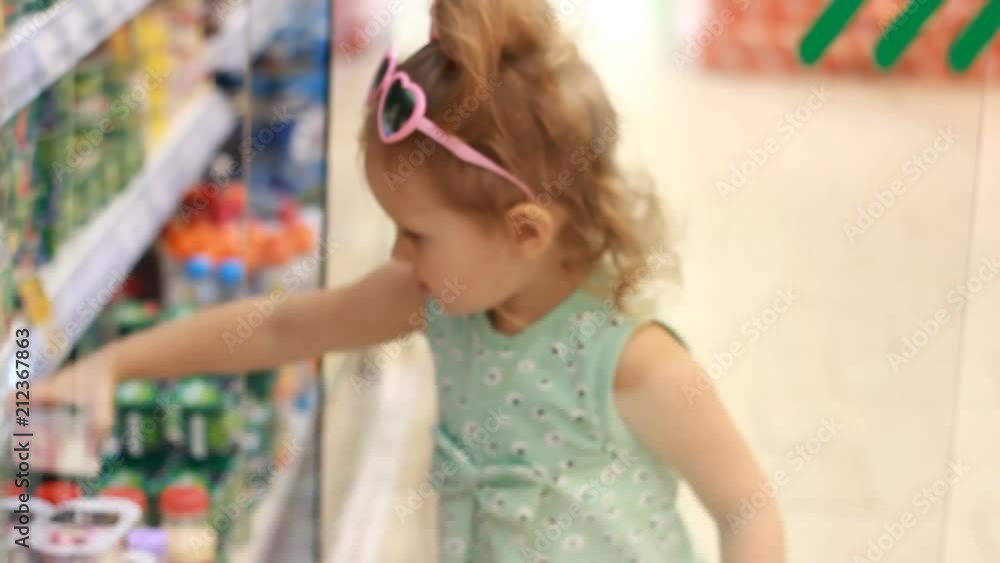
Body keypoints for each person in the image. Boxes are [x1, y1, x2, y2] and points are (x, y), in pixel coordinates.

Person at [33, 0, 785, 560]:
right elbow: (280, 326)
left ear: (525, 231)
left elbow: (748, 508)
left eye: (418, 234)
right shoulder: (441, 299)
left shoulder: (631, 362)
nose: (399, 254)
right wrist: (111, 364)